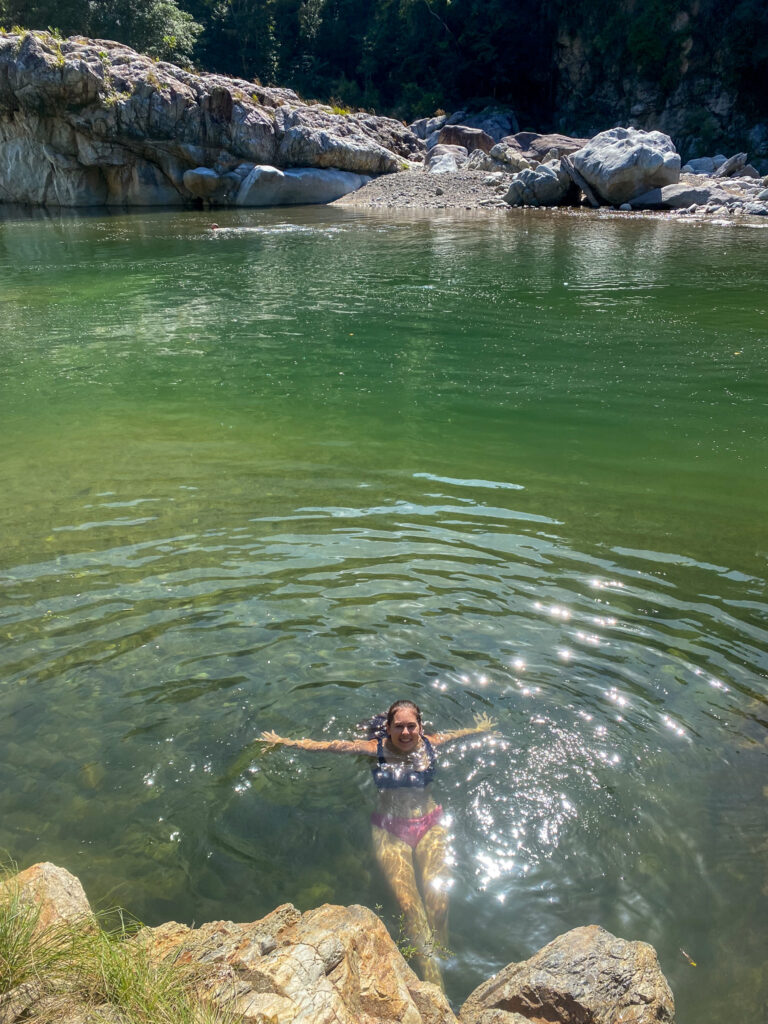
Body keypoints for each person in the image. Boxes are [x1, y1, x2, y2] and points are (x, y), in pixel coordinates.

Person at [260, 700, 497, 987]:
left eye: (412, 726)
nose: (406, 732)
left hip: (430, 824)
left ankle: (440, 960)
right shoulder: (377, 749)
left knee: (439, 903)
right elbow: (331, 746)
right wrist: (284, 741)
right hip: (390, 829)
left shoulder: (431, 743)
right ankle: (436, 986)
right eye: (399, 726)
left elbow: (459, 735)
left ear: (421, 726)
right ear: (388, 728)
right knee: (411, 908)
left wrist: (480, 729)